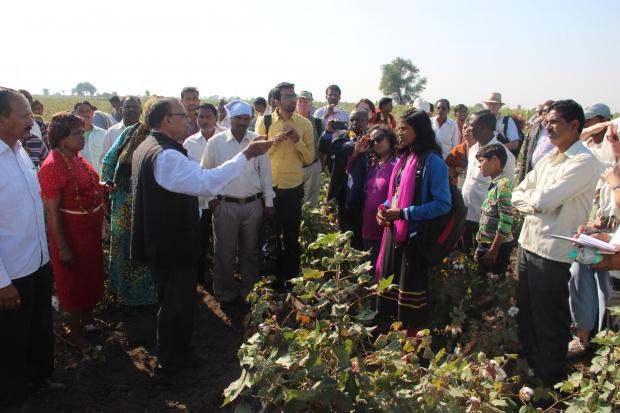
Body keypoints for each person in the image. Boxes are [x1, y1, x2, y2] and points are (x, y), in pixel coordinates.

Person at [130, 97, 272, 378]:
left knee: (177, 302)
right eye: (184, 114)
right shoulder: (166, 155)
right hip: (171, 243)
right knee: (174, 305)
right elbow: (206, 181)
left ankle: (179, 354)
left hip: (165, 241)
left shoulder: (150, 146)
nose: (190, 119)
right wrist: (247, 154)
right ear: (167, 120)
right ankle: (170, 365)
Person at [512, 99, 602, 385]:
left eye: (554, 122)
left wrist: (535, 201)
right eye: (546, 121)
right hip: (528, 245)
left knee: (550, 321)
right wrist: (534, 202)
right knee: (527, 315)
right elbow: (519, 194)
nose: (547, 127)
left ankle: (549, 383)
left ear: (575, 126)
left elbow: (545, 200)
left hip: (553, 253)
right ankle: (533, 373)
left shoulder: (583, 162)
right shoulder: (550, 158)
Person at [0, 88, 56, 408]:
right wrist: (1, 281)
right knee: (11, 341)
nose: (31, 120)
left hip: (37, 261)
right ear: (1, 119)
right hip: (12, 274)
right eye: (23, 115)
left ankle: (39, 381)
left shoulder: (20, 150)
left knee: (38, 329)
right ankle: (13, 397)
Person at [375, 108, 451, 336]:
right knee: (388, 291)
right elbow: (395, 193)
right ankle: (386, 342)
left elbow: (443, 204)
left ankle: (410, 349)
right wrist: (385, 208)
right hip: (395, 234)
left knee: (409, 301)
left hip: (414, 240)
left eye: (405, 129)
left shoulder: (433, 163)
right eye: (399, 128)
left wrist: (405, 214)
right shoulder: (405, 158)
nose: (400, 133)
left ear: (419, 131)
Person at [39, 112, 106, 349]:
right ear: (60, 137)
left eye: (81, 132)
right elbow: (53, 213)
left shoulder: (77, 158)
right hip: (71, 237)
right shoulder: (52, 166)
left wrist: (102, 189)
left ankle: (88, 321)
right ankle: (73, 331)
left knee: (90, 278)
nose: (82, 136)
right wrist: (63, 248)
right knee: (73, 284)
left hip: (88, 235)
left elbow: (86, 185)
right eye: (76, 133)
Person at [202, 100, 275, 310]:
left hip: (253, 205)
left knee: (250, 251)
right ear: (230, 119)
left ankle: (249, 292)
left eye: (246, 118)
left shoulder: (257, 141)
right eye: (238, 118)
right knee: (224, 251)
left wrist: (268, 202)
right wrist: (211, 199)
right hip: (225, 206)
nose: (242, 122)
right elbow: (205, 172)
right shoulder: (215, 143)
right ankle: (225, 294)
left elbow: (265, 173)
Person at [101, 96, 161, 307]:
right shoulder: (130, 132)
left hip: (150, 205)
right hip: (123, 204)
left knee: (148, 247)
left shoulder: (166, 138)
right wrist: (108, 182)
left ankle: (147, 297)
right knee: (123, 247)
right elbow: (109, 159)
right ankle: (122, 294)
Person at [255, 82, 314, 288]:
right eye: (288, 96)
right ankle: (269, 279)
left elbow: (309, 158)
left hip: (292, 188)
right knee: (269, 235)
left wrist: (297, 140)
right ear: (277, 101)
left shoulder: (305, 124)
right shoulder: (265, 122)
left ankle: (289, 279)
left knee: (291, 235)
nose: (293, 99)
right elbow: (257, 155)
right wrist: (274, 143)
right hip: (268, 188)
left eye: (293, 95)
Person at [567, 160, 620, 357]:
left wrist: (615, 183)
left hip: (614, 256)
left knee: (608, 291)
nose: (613, 139)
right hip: (609, 242)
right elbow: (604, 214)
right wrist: (592, 231)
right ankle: (584, 336)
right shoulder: (608, 170)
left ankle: (605, 344)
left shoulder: (613, 178)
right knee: (578, 260)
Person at [461, 110, 515, 253]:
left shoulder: (503, 155)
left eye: (472, 125)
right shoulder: (473, 149)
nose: (468, 128)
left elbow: (506, 191)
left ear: (484, 127)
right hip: (467, 214)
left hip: (486, 222)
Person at [184, 103, 224, 285]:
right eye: (200, 117)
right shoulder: (189, 143)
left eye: (208, 117)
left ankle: (222, 278)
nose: (204, 120)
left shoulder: (226, 139)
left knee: (223, 242)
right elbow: (191, 175)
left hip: (223, 200)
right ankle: (200, 277)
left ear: (216, 119)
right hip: (200, 201)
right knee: (199, 241)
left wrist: (216, 197)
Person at [319, 109, 369, 250]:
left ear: (367, 121)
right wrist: (328, 132)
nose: (354, 123)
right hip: (343, 191)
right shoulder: (343, 138)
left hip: (364, 191)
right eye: (352, 119)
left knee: (361, 228)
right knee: (345, 227)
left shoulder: (373, 139)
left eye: (358, 119)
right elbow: (324, 147)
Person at [349, 124, 398, 266]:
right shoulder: (370, 164)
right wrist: (358, 151)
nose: (376, 143)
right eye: (372, 141)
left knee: (383, 269)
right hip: (367, 226)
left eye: (380, 139)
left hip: (385, 227)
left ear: (390, 139)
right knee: (369, 268)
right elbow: (350, 173)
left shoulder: (396, 165)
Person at [474, 144, 514, 277]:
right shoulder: (494, 185)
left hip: (497, 247)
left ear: (495, 160)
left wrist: (494, 250)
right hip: (487, 244)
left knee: (493, 286)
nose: (479, 166)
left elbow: (506, 221)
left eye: (481, 161)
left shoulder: (503, 187)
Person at [515, 100, 554, 185]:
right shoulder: (535, 129)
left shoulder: (560, 131)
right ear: (542, 112)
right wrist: (521, 180)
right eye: (545, 110)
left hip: (549, 177)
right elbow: (525, 157)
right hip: (531, 175)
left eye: (551, 110)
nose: (547, 113)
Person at [296, 90, 324, 208]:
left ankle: (309, 225)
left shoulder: (318, 122)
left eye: (306, 102)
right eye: (300, 101)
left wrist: (321, 165)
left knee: (310, 204)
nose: (303, 104)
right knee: (294, 201)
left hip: (312, 166)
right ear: (296, 102)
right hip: (294, 168)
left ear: (311, 103)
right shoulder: (291, 121)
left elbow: (322, 146)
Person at [75, 100, 107, 174]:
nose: (85, 114)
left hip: (99, 180)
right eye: (81, 111)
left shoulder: (103, 134)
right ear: (74, 114)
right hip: (79, 181)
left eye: (88, 111)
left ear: (93, 113)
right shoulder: (69, 136)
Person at [445, 113, 476, 188]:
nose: (466, 131)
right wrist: (455, 170)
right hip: (459, 186)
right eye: (464, 128)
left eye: (469, 129)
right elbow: (447, 167)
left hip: (476, 188)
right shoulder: (458, 149)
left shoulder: (481, 149)